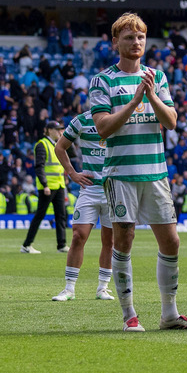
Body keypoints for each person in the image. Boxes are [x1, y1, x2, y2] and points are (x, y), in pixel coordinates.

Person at [90, 12, 187, 331]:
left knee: (171, 241)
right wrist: (134, 101)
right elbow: (103, 128)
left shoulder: (157, 77)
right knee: (124, 240)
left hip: (155, 173)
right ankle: (129, 315)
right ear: (116, 42)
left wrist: (151, 94)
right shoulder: (103, 80)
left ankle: (169, 314)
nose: (136, 42)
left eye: (140, 37)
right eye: (129, 37)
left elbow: (172, 121)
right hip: (121, 174)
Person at [50, 110, 116, 302]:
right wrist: (72, 173)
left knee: (110, 241)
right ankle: (69, 288)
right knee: (78, 235)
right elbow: (60, 147)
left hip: (113, 188)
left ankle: (103, 288)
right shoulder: (82, 120)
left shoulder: (120, 117)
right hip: (89, 188)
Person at [20, 121, 70, 254]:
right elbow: (39, 166)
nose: (60, 132)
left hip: (59, 185)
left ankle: (62, 245)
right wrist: (44, 184)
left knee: (61, 215)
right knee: (40, 215)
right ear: (49, 130)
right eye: (57, 129)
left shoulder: (56, 144)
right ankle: (26, 245)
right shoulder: (42, 144)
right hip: (48, 186)